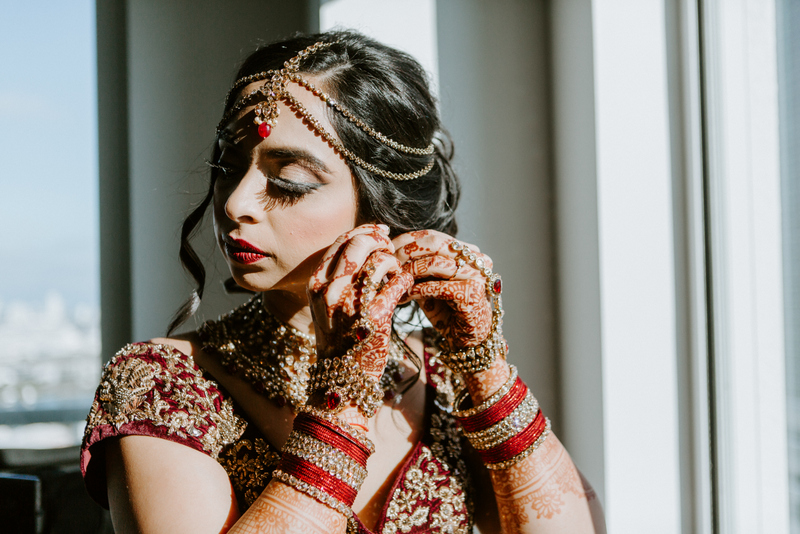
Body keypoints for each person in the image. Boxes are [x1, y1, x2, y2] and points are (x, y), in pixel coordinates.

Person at [80, 30, 606, 534]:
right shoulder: (162, 384)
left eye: (290, 183)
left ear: (380, 208)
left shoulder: (441, 376)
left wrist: (487, 366)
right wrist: (343, 397)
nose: (236, 204)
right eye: (227, 165)